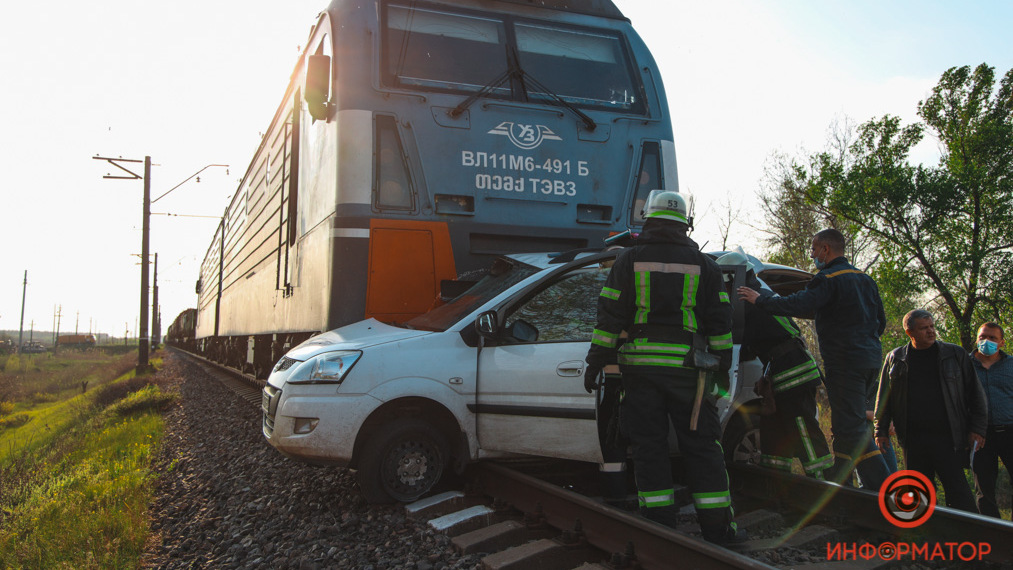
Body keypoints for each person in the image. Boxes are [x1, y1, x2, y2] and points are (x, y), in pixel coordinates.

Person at [584, 190, 743, 544]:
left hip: (640, 371)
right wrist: (720, 372)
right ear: (684, 224)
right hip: (691, 375)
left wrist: (596, 362)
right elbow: (721, 324)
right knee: (703, 448)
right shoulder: (706, 265)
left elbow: (609, 317)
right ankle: (719, 531)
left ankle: (659, 527)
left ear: (649, 220)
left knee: (649, 448)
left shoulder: (628, 261)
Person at [737, 229, 891, 490]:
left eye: (813, 248)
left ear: (825, 250)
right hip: (870, 361)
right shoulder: (865, 279)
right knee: (844, 426)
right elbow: (881, 322)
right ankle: (842, 484)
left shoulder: (828, 278)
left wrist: (761, 299)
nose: (811, 254)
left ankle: (885, 489)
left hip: (845, 363)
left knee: (852, 429)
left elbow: (797, 304)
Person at [716, 252, 833, 479]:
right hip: (782, 370)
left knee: (802, 430)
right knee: (774, 432)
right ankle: (776, 488)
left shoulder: (749, 299)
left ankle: (823, 484)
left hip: (793, 372)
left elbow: (739, 337)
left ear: (731, 279)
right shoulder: (757, 295)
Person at [874, 310, 987, 513]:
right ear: (910, 332)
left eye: (932, 326)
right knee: (919, 493)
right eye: (924, 328)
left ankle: (969, 537)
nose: (931, 331)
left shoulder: (955, 354)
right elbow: (884, 398)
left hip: (948, 437)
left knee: (959, 491)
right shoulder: (896, 358)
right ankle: (927, 536)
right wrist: (880, 430)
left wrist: (977, 428)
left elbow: (976, 394)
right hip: (913, 438)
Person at [970, 322, 1013, 518]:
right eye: (982, 337)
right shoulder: (965, 365)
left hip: (1010, 431)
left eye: (992, 338)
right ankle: (991, 533)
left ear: (1002, 342)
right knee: (984, 488)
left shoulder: (1011, 365)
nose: (986, 341)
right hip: (980, 435)